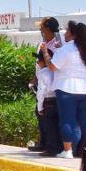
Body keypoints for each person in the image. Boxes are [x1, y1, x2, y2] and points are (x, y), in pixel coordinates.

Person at [41, 21, 86, 159]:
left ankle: (67, 151)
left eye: (67, 31)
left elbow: (52, 67)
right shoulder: (85, 49)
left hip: (66, 89)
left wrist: (45, 52)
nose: (64, 34)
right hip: (83, 89)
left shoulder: (66, 49)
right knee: (85, 122)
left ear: (73, 35)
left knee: (67, 121)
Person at [32, 17, 63, 156]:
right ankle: (44, 143)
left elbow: (54, 66)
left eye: (42, 29)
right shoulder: (43, 44)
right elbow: (39, 63)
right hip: (42, 82)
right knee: (41, 117)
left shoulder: (58, 43)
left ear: (49, 29)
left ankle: (52, 147)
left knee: (48, 119)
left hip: (52, 88)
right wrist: (35, 78)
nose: (41, 31)